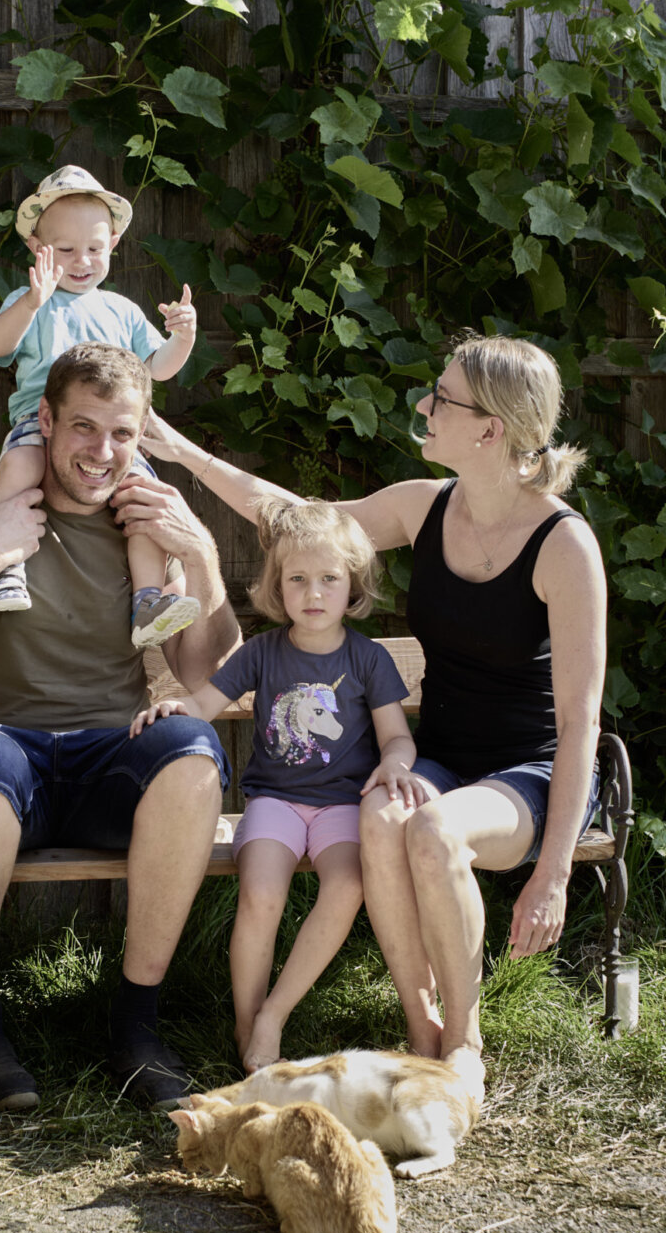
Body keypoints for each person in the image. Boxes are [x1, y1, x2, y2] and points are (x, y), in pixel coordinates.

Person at [142, 332, 607, 1067]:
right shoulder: (426, 507)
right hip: (439, 763)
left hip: (532, 775)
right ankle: (420, 1032)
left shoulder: (562, 544)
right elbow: (301, 523)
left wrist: (551, 876)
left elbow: (582, 721)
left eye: (441, 398)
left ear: (489, 427)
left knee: (428, 831)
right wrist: (181, 454)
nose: (423, 405)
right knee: (382, 814)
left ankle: (463, 1045)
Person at [0, 342, 240, 1114]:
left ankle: (137, 1029)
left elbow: (204, 674)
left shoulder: (144, 515)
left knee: (193, 755)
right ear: (45, 420)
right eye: (83, 428)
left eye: (122, 434)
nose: (101, 453)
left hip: (110, 760)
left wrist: (198, 554)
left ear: (140, 436)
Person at [130, 499, 428, 1072]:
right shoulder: (262, 654)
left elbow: (396, 738)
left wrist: (395, 763)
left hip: (345, 804)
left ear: (353, 586)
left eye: (328, 579)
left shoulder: (367, 660)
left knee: (346, 887)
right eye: (297, 579)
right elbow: (203, 704)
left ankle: (275, 1013)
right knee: (261, 894)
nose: (313, 593)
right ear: (277, 586)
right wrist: (172, 711)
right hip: (274, 804)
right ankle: (248, 1029)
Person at [0, 164, 201, 647]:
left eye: (95, 249)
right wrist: (31, 304)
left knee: (145, 499)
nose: (82, 260)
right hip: (39, 425)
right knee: (17, 467)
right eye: (65, 250)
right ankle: (6, 568)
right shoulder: (30, 300)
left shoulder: (121, 310)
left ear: (114, 246)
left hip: (115, 436)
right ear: (38, 250)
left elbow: (158, 367)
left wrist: (181, 338)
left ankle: (147, 600)